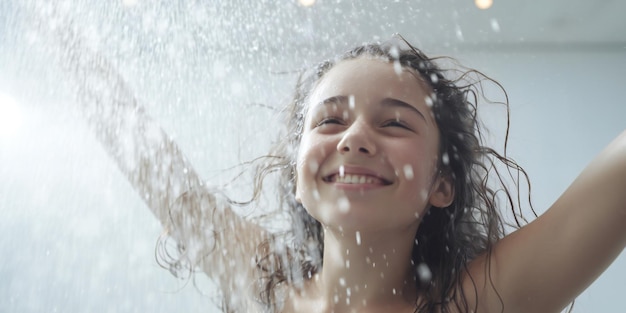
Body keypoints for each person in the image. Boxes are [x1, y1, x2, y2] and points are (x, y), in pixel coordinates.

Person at [60, 28, 625, 313]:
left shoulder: (476, 304)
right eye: (330, 121)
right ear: (298, 170)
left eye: (396, 124)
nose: (354, 138)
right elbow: (154, 166)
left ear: (442, 184)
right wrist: (61, 31)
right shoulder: (266, 291)